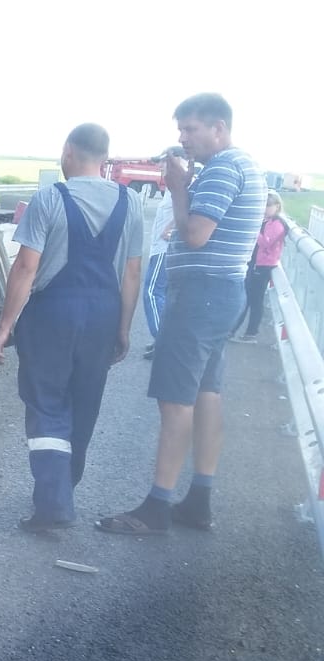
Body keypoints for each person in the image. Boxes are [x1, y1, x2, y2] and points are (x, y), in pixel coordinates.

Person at [97, 93, 267, 535]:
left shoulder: (222, 168)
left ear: (219, 128)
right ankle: (199, 500)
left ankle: (156, 507)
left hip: (201, 296)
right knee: (208, 395)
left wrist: (177, 188)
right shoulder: (244, 165)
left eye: (190, 129)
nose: (182, 138)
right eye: (181, 129)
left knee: (176, 401)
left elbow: (194, 234)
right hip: (222, 293)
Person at [0, 123, 144, 532]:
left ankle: (54, 501)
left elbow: (26, 266)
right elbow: (131, 273)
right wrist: (124, 327)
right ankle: (63, 486)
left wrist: (5, 324)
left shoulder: (49, 198)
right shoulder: (132, 202)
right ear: (105, 158)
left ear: (68, 151)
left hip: (53, 313)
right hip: (104, 314)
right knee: (84, 402)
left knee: (46, 402)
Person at [230, 190, 288, 343]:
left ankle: (247, 333)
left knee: (252, 300)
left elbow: (265, 242)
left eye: (269, 205)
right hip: (256, 265)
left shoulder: (277, 223)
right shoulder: (267, 221)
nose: (265, 208)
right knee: (248, 298)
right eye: (264, 205)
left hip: (262, 267)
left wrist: (254, 227)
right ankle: (237, 331)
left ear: (277, 206)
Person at [142, 148, 183, 360]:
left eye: (165, 162)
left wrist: (170, 227)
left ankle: (164, 342)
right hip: (161, 248)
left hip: (165, 249)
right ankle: (163, 339)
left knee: (151, 292)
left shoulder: (181, 183)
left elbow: (188, 205)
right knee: (164, 296)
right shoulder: (173, 185)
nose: (161, 167)